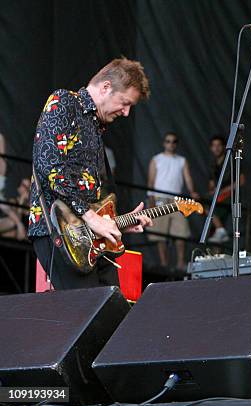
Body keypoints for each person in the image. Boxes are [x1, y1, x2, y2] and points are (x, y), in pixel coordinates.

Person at [28, 58, 153, 290]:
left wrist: (113, 222)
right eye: (124, 102)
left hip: (91, 239)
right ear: (106, 87)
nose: (126, 113)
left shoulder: (95, 127)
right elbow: (50, 166)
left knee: (113, 312)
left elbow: (88, 195)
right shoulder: (64, 101)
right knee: (88, 315)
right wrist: (92, 218)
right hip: (59, 231)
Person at [147, 132, 199, 271]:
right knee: (160, 232)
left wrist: (192, 192)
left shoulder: (182, 160)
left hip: (177, 200)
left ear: (176, 144)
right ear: (164, 143)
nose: (171, 144)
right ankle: (164, 264)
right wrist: (151, 198)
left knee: (180, 232)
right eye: (168, 141)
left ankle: (180, 263)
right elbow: (151, 181)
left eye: (174, 141)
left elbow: (188, 178)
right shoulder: (156, 159)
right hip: (159, 198)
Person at [207, 134, 245, 244]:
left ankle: (220, 230)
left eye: (219, 145)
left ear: (224, 147)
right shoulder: (212, 164)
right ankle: (220, 230)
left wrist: (222, 191)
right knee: (201, 202)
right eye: (214, 145)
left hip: (230, 196)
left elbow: (241, 181)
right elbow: (211, 184)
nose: (216, 148)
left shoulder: (232, 161)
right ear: (211, 148)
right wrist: (212, 191)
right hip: (218, 197)